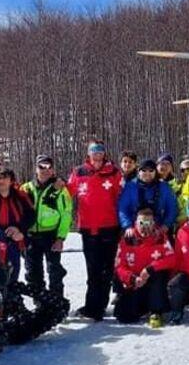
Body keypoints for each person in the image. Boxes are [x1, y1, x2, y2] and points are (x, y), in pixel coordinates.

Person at [67, 140, 123, 321]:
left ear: (104, 153)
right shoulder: (79, 172)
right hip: (88, 228)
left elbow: (122, 198)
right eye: (93, 151)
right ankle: (91, 306)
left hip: (110, 227)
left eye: (100, 151)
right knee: (93, 270)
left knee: (107, 270)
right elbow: (68, 192)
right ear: (89, 154)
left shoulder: (114, 172)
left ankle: (100, 306)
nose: (97, 155)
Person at [21, 154, 72, 296]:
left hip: (51, 235)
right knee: (33, 272)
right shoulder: (25, 188)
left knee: (54, 271)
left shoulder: (60, 189)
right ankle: (40, 303)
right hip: (30, 235)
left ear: (53, 170)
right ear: (36, 169)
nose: (45, 170)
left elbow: (66, 215)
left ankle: (57, 304)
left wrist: (60, 238)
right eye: (41, 167)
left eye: (49, 167)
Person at [113, 208, 172, 327]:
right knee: (125, 317)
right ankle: (139, 307)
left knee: (160, 274)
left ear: (153, 223)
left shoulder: (160, 236)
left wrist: (150, 269)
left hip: (152, 279)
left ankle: (156, 311)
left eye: (149, 223)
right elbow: (119, 266)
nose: (145, 226)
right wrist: (132, 278)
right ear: (136, 222)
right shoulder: (128, 238)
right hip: (135, 281)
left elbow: (171, 258)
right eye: (142, 223)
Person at [0, 167, 35, 286]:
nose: (1, 181)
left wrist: (20, 230)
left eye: (5, 178)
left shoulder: (21, 196)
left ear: (11, 180)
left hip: (15, 239)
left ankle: (11, 297)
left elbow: (31, 216)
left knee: (14, 270)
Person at [118, 159, 178, 234]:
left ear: (155, 172)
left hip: (159, 228)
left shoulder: (164, 187)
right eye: (144, 170)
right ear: (139, 172)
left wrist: (166, 225)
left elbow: (172, 207)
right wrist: (128, 226)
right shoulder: (130, 186)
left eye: (151, 171)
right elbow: (123, 208)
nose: (147, 173)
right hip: (135, 229)